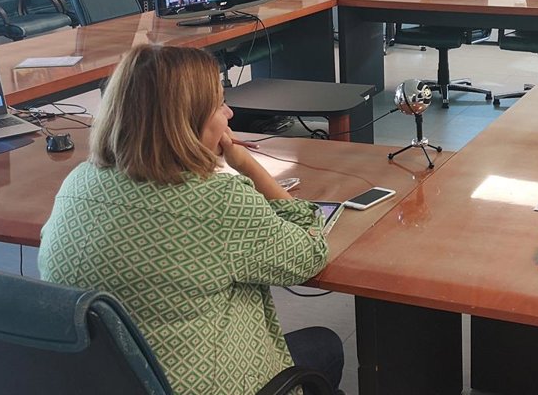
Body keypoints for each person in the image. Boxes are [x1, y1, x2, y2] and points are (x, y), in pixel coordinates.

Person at [37, 45, 341, 395]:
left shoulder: (78, 183)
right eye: (219, 104)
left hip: (107, 381)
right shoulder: (220, 201)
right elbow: (310, 252)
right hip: (200, 384)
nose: (229, 113)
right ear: (185, 121)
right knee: (325, 345)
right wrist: (247, 165)